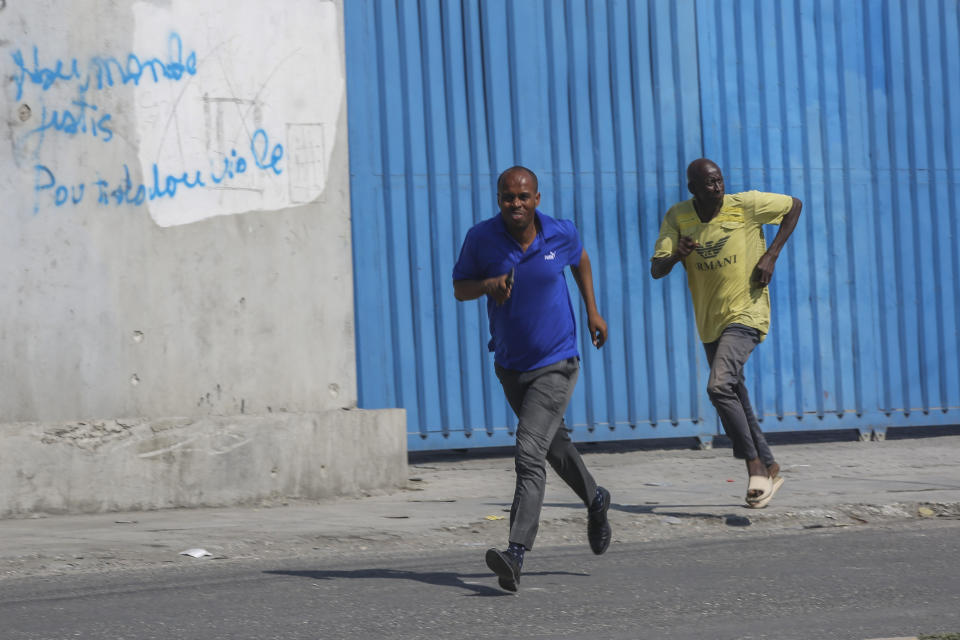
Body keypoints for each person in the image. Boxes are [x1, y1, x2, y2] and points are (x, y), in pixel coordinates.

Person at [453, 166, 612, 592]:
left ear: (537, 198)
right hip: (510, 365)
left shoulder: (559, 232)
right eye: (509, 197)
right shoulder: (481, 239)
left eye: (524, 197)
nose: (516, 204)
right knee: (553, 446)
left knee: (528, 451)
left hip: (557, 361)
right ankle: (596, 500)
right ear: (499, 199)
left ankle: (516, 553)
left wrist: (592, 310)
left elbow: (579, 257)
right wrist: (488, 285)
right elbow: (459, 288)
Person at [650, 158, 802, 509]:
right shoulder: (678, 217)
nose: (717, 187)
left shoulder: (745, 205)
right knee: (734, 390)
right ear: (693, 189)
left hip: (747, 311)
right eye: (708, 184)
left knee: (719, 385)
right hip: (709, 320)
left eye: (719, 181)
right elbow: (657, 269)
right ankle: (769, 464)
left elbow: (794, 206)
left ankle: (754, 467)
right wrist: (676, 254)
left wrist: (771, 255)